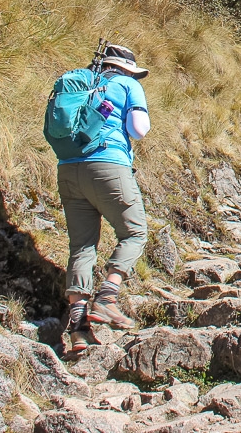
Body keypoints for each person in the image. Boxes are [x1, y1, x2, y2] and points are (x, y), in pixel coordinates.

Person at [57, 44, 151, 355]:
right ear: (126, 68)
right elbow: (139, 130)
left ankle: (79, 330)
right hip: (109, 165)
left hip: (68, 170)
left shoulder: (78, 81)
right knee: (135, 232)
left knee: (82, 246)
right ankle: (108, 297)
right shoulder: (127, 84)